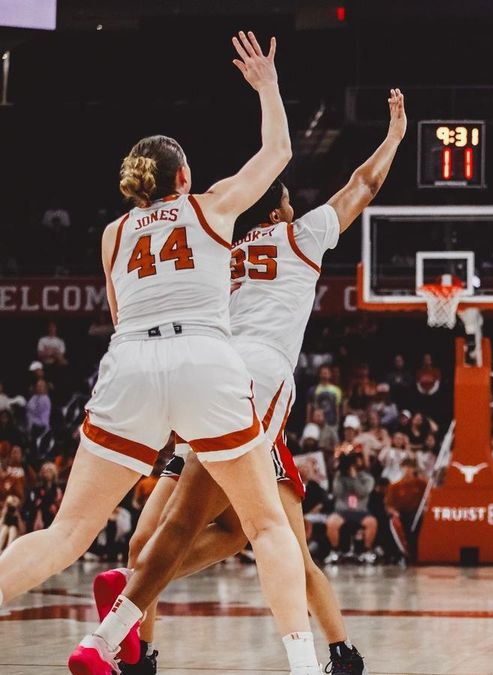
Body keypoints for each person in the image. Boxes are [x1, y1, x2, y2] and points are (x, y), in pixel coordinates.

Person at [0, 33, 318, 675]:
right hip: (204, 357)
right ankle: (306, 668)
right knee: (266, 528)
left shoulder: (112, 235)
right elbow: (278, 151)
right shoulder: (210, 205)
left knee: (65, 536)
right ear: (183, 177)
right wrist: (268, 87)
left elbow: (121, 318)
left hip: (130, 365)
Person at [85, 86, 407, 674]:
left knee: (190, 533)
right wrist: (394, 136)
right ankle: (124, 625)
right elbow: (364, 185)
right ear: (280, 210)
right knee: (264, 535)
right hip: (254, 385)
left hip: (197, 384)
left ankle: (135, 643)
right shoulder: (298, 236)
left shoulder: (215, 244)